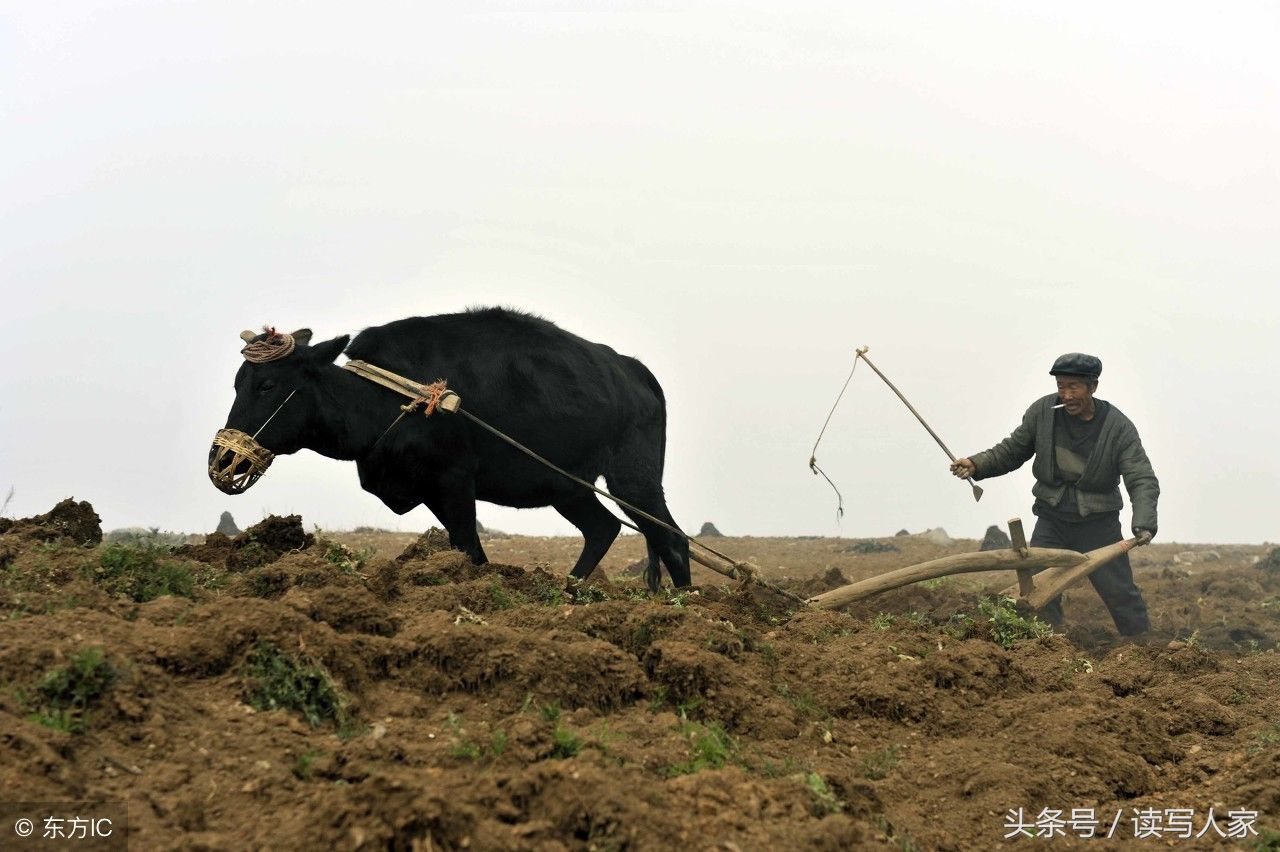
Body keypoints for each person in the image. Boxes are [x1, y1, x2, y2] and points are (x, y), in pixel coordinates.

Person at [949, 353, 1159, 635]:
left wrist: (1144, 521)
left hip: (1098, 523)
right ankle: (1048, 642)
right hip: (1053, 518)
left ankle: (1143, 646)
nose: (1066, 394)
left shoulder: (1118, 427)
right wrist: (977, 464)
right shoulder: (1043, 413)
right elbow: (1013, 449)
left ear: (1093, 387)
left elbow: (1140, 475)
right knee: (1038, 586)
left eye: (1074, 387)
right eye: (1061, 386)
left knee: (1118, 591)